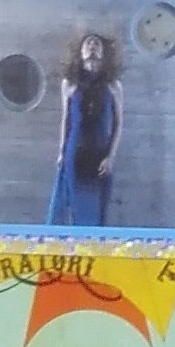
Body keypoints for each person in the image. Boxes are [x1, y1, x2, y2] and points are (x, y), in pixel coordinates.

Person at [46, 28, 121, 230]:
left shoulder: (113, 86)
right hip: (74, 152)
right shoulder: (68, 84)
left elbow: (118, 123)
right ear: (80, 52)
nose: (92, 47)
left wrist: (110, 157)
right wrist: (61, 151)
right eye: (87, 43)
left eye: (97, 44)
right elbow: (66, 119)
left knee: (96, 209)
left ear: (104, 53)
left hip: (99, 155)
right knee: (71, 204)